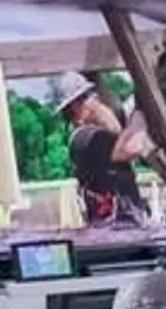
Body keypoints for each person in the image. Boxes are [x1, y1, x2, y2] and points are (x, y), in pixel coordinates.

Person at [64, 86, 150, 226]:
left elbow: (117, 133)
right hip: (117, 230)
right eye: (95, 98)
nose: (102, 103)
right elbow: (133, 147)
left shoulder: (84, 138)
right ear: (77, 105)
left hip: (111, 228)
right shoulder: (87, 138)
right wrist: (141, 109)